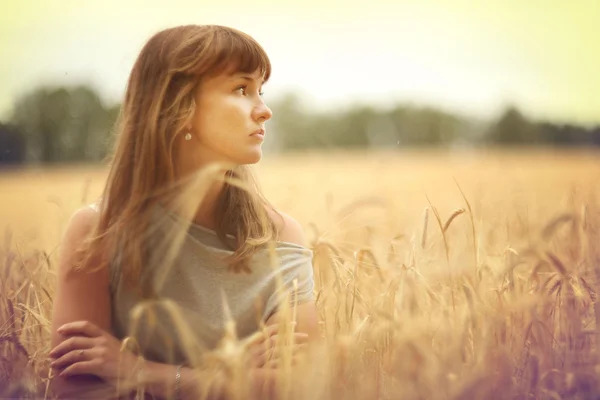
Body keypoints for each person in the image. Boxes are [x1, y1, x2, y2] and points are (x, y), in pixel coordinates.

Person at [48, 24, 319, 399]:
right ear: (180, 105)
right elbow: (77, 390)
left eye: (261, 91)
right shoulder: (99, 232)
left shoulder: (281, 238)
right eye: (242, 89)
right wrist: (235, 373)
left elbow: (301, 387)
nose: (265, 111)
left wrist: (136, 370)